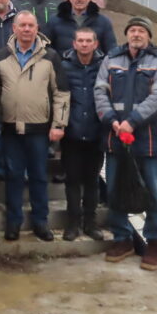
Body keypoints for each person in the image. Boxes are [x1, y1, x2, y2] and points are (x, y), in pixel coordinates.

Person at [94, 16, 157, 271]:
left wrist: (133, 121)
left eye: (141, 31)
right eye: (132, 30)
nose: (136, 34)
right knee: (115, 189)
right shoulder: (111, 59)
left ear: (148, 35)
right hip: (116, 136)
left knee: (153, 192)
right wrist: (112, 120)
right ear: (126, 34)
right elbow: (100, 91)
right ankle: (122, 238)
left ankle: (155, 241)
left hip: (148, 139)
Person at [0, 11, 70, 242]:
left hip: (39, 129)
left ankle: (40, 222)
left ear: (37, 29)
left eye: (31, 25)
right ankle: (13, 222)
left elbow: (61, 92)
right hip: (10, 128)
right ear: (14, 28)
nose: (26, 29)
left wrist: (59, 124)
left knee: (38, 176)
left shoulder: (50, 56)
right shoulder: (1, 56)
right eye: (22, 25)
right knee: (13, 176)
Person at [59, 28, 106, 241]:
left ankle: (91, 223)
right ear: (74, 43)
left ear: (95, 44)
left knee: (92, 181)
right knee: (72, 181)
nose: (84, 44)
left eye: (88, 41)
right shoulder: (64, 66)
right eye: (81, 40)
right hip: (72, 134)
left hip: (96, 133)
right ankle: (72, 224)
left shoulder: (104, 66)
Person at [47, 0, 118, 54]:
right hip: (62, 61)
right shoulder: (54, 21)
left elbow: (111, 50)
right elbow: (48, 49)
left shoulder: (103, 22)